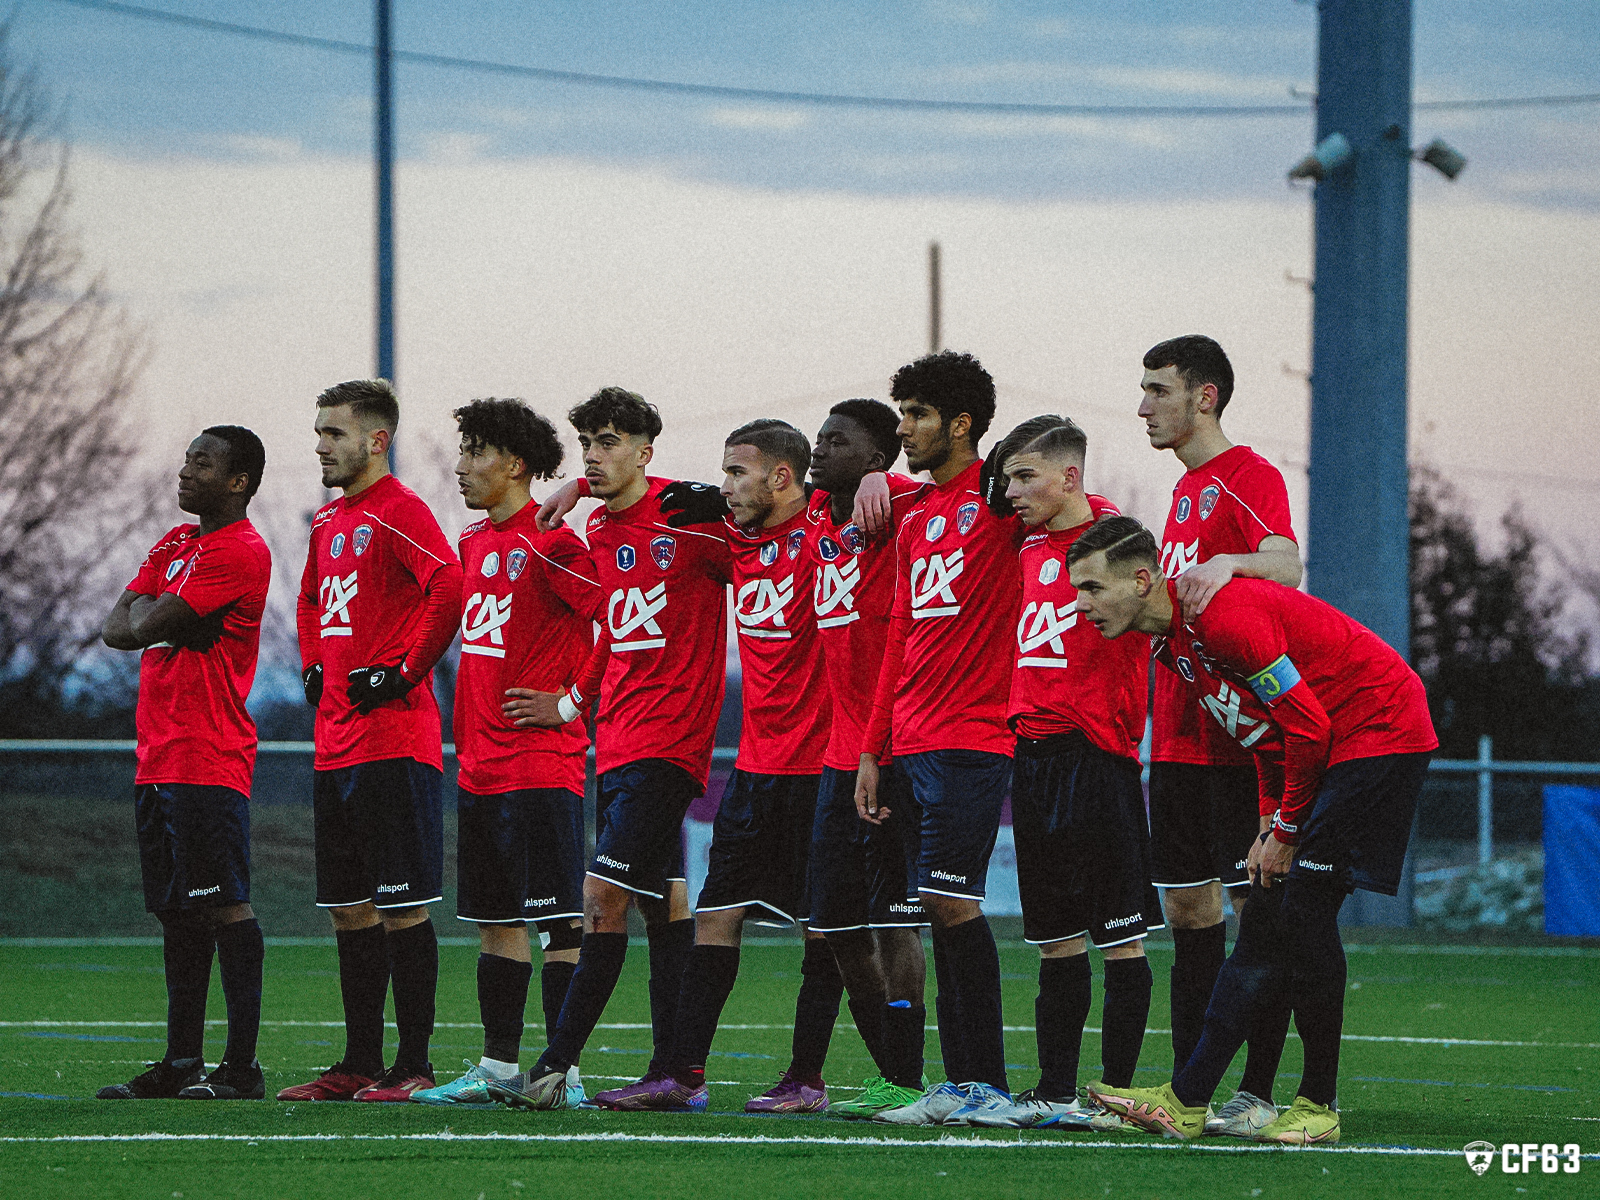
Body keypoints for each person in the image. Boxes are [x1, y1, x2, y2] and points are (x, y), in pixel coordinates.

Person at [1068, 516, 1437, 1144]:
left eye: (1093, 589)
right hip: (1333, 747)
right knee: (1266, 920)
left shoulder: (1222, 619)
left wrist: (1287, 831)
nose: (1082, 607)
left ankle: (1318, 1105)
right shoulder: (1179, 643)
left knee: (1304, 917)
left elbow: (1309, 726)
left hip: (1379, 733)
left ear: (1140, 579)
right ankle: (1185, 1100)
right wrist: (1269, 823)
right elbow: (1264, 733)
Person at [591, 418, 847, 1114]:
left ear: (783, 478)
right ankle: (682, 1074)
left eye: (739, 473)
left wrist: (877, 478)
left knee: (819, 930)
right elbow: (643, 504)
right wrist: (565, 491)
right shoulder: (734, 540)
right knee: (714, 916)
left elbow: (869, 493)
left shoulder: (829, 526)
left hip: (822, 767)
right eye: (724, 474)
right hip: (756, 767)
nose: (726, 487)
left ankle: (807, 1079)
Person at [486, 387, 732, 1110]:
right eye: (588, 443)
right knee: (662, 904)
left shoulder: (692, 522)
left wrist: (719, 498)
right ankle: (677, 1074)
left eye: (611, 443)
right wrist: (571, 703)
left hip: (671, 740)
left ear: (645, 453)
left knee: (600, 897)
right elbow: (614, 635)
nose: (594, 455)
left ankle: (553, 1067)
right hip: (617, 739)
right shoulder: (598, 528)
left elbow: (763, 541)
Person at [963, 417, 1159, 1132]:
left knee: (1120, 936)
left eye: (1025, 477)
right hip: (1035, 754)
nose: (1011, 492)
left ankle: (1116, 1096)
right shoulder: (1023, 543)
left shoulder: (1116, 538)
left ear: (1070, 478)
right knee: (1054, 938)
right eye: (1007, 478)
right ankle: (1053, 1092)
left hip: (1097, 754)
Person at [410, 398, 602, 1107]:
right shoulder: (472, 544)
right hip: (481, 767)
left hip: (540, 766)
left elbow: (618, 616)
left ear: (515, 465)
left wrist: (572, 702)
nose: (461, 466)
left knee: (558, 924)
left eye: (475, 452)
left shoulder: (552, 542)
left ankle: (564, 1074)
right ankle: (497, 1070)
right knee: (495, 921)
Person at [278, 379, 464, 1103]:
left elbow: (446, 585)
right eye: (319, 431)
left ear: (375, 440)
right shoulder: (330, 521)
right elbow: (307, 596)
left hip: (394, 742)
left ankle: (412, 1064)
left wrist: (403, 670)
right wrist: (312, 663)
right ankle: (358, 1062)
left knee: (401, 906)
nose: (320, 445)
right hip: (337, 745)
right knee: (350, 908)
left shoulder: (400, 512)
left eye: (333, 433)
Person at [1139, 335, 1303, 1136]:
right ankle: (1187, 1091)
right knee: (1188, 922)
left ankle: (1259, 1092)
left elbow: (1286, 563)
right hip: (1170, 740)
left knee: (1255, 916)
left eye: (1158, 390)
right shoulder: (1180, 495)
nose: (1144, 407)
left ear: (1205, 396)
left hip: (1235, 746)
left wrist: (1233, 564)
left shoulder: (1247, 476)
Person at [855, 350, 1022, 1127]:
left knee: (953, 903)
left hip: (973, 734)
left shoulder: (1000, 500)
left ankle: (982, 1082)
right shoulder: (912, 512)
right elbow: (895, 636)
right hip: (910, 739)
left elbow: (1075, 498)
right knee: (934, 904)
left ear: (960, 423)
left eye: (917, 415)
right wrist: (871, 747)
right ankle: (957, 1085)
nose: (904, 430)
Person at [97, 426, 271, 1101]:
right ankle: (181, 1062)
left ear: (238, 482)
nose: (185, 470)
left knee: (224, 906)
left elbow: (141, 625)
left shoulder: (239, 550)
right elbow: (118, 627)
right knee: (176, 913)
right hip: (157, 757)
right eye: (186, 459)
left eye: (203, 462)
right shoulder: (176, 544)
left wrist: (152, 616)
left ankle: (241, 1068)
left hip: (207, 756)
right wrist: (156, 615)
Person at [801, 400, 933, 1120]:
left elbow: (950, 489)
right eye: (818, 439)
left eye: (838, 441)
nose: (820, 450)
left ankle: (905, 1077)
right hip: (833, 753)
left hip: (889, 747)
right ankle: (889, 1068)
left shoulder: (902, 509)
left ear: (879, 453)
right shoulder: (820, 517)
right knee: (835, 924)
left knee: (894, 921)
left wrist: (888, 481)